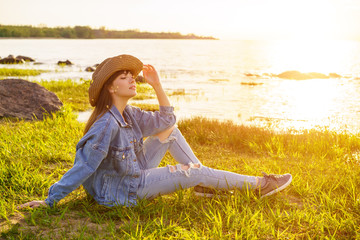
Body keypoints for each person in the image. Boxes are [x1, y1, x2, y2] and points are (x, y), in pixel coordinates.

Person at [18, 54, 292, 209]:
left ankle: (201, 184)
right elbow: (84, 166)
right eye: (124, 78)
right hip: (123, 191)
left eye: (131, 76)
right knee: (193, 169)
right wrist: (50, 200)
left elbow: (166, 119)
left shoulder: (129, 113)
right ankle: (258, 185)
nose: (132, 80)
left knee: (171, 131)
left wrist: (157, 85)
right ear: (111, 88)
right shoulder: (106, 124)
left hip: (133, 172)